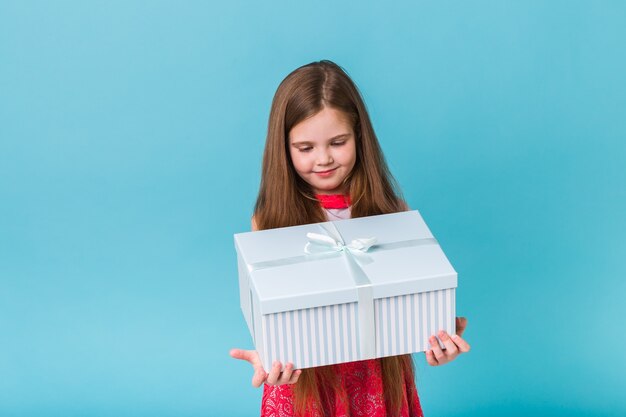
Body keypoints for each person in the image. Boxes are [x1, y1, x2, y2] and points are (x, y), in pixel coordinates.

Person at [230, 60, 470, 417]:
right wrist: (267, 355)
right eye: (305, 147)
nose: (323, 159)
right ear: (284, 148)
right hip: (306, 382)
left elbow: (409, 298)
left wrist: (436, 336)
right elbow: (271, 310)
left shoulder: (393, 213)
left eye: (337, 142)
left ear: (359, 135)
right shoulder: (268, 222)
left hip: (376, 377)